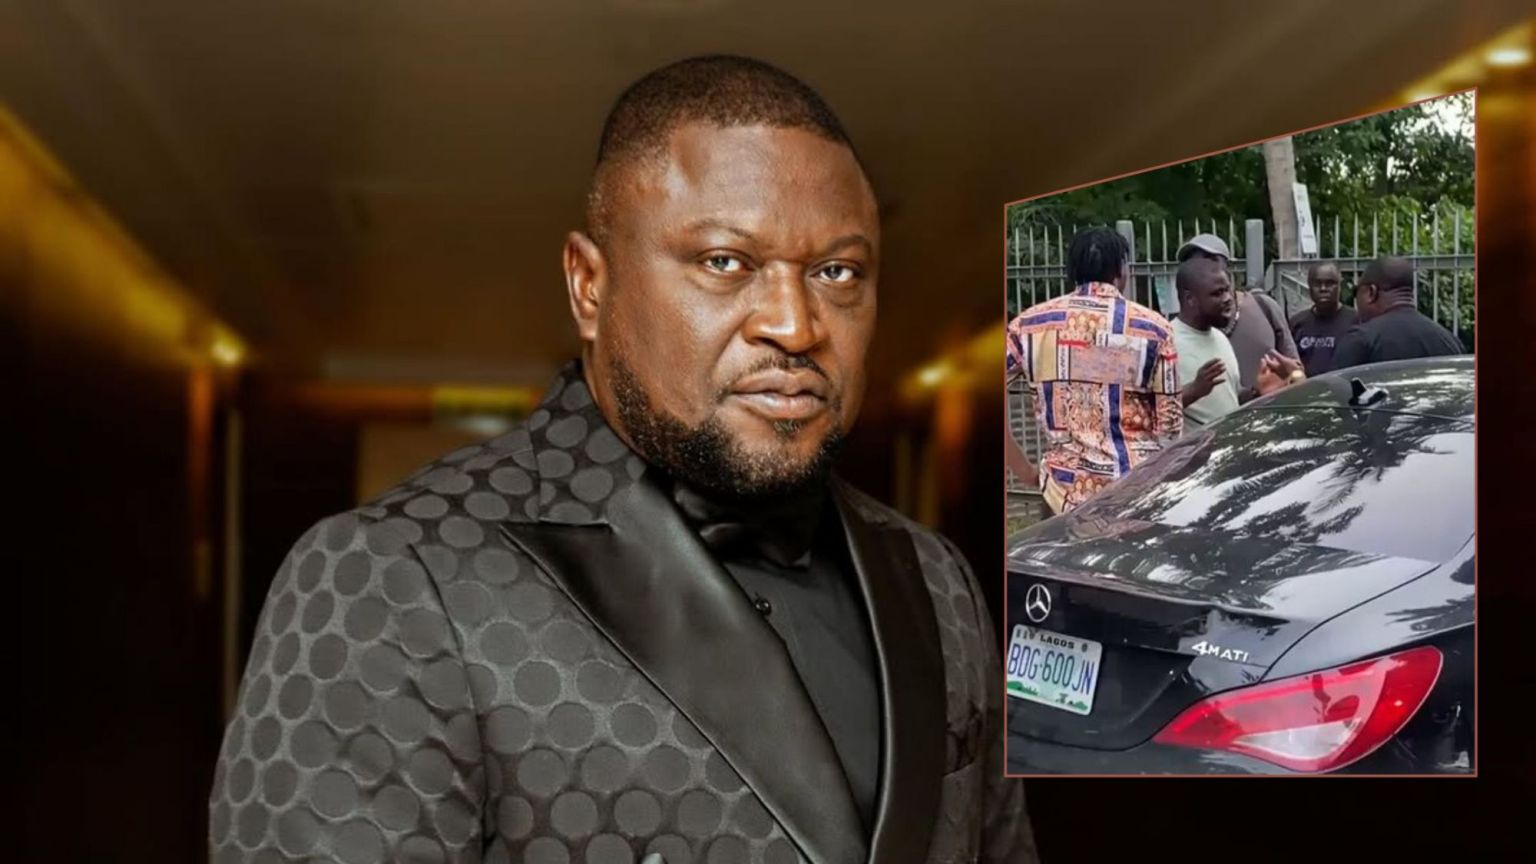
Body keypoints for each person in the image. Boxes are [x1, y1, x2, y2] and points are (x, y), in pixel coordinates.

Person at [209, 55, 1037, 864]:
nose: (794, 324)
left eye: (837, 272)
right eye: (725, 262)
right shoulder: (388, 575)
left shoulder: (938, 580)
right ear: (589, 286)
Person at [1005, 226, 1182, 517]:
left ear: (1072, 271)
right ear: (1121, 271)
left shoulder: (1028, 326)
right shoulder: (1154, 329)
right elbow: (1170, 428)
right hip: (1136, 495)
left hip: (1060, 494)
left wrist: (1024, 470)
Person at [1173, 256, 1302, 431]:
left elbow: (1232, 401)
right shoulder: (1166, 342)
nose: (1228, 298)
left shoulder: (1219, 338)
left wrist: (1257, 391)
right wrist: (1194, 390)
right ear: (1190, 299)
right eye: (1217, 293)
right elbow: (1150, 409)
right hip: (1191, 448)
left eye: (1227, 290)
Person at [1176, 233, 1298, 390]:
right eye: (1193, 261)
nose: (1202, 266)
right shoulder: (1174, 335)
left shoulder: (1264, 306)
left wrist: (1287, 380)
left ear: (1229, 267)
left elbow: (1296, 371)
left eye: (1210, 259)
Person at [1333, 255, 1463, 369]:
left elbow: (1337, 388)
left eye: (1356, 292)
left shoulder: (1361, 339)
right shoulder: (1449, 341)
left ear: (1371, 292)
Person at [1288, 260, 1357, 377]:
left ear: (1339, 286)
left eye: (1330, 283)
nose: (1323, 289)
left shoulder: (1356, 321)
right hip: (1307, 387)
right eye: (1317, 284)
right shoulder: (1297, 323)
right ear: (1309, 287)